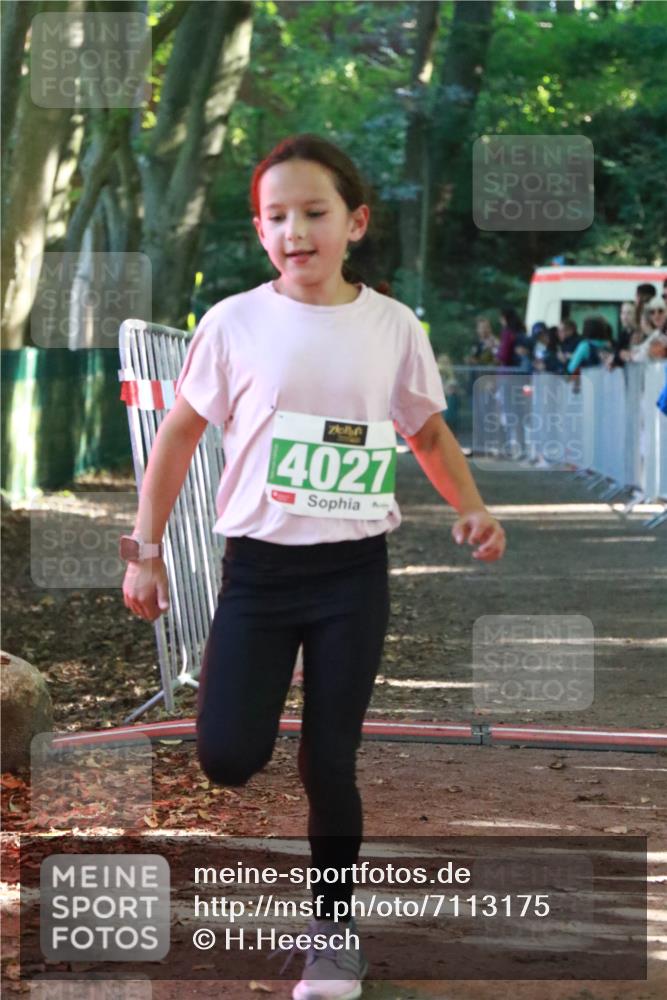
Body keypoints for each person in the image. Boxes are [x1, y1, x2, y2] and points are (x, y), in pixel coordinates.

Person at [120, 132, 506, 1000]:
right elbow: (179, 434)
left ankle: (332, 933)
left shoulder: (392, 326)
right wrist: (145, 553)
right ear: (261, 232)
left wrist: (472, 508)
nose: (295, 230)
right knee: (224, 756)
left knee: (330, 761)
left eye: (313, 213)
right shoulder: (232, 322)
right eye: (276, 216)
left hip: (350, 576)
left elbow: (427, 432)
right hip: (256, 573)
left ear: (354, 223)